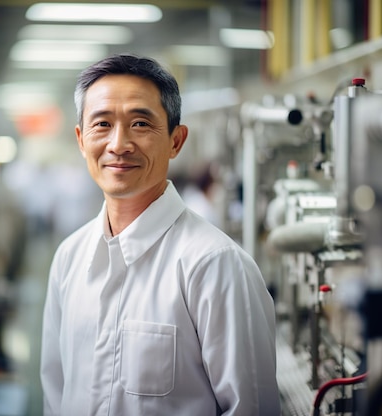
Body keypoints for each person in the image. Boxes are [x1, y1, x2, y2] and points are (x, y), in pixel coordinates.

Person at [40, 54, 280, 415]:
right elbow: (55, 394)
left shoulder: (215, 267)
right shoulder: (69, 257)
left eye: (140, 124)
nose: (118, 144)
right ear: (80, 139)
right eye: (102, 124)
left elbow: (252, 408)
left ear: (176, 141)